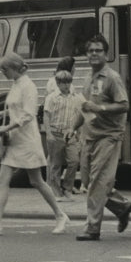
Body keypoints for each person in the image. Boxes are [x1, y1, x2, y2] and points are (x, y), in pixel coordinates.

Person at [0, 52, 69, 236]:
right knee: (3, 180)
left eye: (5, 68)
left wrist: (7, 126)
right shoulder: (16, 84)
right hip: (14, 139)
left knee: (37, 181)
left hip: (26, 140)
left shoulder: (28, 86)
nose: (2, 72)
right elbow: (16, 109)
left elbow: (29, 114)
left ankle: (60, 215)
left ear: (15, 67)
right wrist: (2, 115)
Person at [72, 35, 131, 240]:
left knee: (98, 181)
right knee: (89, 181)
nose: (94, 54)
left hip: (108, 136)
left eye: (98, 50)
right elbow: (84, 108)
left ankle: (92, 227)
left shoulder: (112, 78)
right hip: (90, 135)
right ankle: (121, 206)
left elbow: (124, 105)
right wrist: (73, 128)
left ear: (106, 54)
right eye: (90, 51)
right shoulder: (87, 78)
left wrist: (100, 108)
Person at [43, 69, 85, 199]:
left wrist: (77, 131)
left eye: (68, 82)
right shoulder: (52, 98)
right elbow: (47, 115)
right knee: (55, 164)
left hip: (69, 133)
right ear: (57, 83)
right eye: (63, 82)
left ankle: (67, 187)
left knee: (74, 161)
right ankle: (56, 191)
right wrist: (48, 132)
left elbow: (77, 114)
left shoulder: (74, 97)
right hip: (56, 132)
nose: (66, 85)